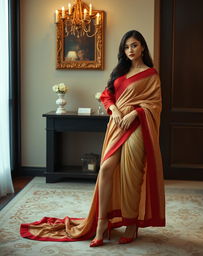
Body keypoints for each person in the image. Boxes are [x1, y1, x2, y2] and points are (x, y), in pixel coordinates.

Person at [20, 30, 165, 246]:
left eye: (134, 45)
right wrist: (115, 110)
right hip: (117, 124)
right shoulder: (120, 71)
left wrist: (135, 113)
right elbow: (107, 95)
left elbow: (154, 103)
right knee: (106, 168)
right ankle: (101, 223)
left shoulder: (151, 74)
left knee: (131, 173)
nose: (130, 50)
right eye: (126, 47)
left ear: (142, 47)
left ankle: (132, 224)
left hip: (136, 126)